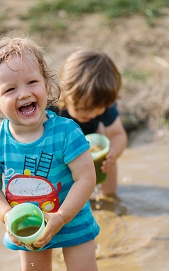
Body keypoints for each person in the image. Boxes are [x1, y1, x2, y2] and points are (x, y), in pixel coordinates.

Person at [0, 37, 105, 271]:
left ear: (46, 83)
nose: (23, 93)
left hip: (72, 216)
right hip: (25, 224)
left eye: (32, 82)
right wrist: (6, 216)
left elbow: (85, 178)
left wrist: (62, 216)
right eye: (10, 88)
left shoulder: (66, 132)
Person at [51, 50, 127, 197]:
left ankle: (109, 198)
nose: (91, 115)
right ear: (65, 95)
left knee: (108, 160)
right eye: (82, 109)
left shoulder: (103, 102)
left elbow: (118, 134)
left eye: (98, 109)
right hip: (62, 143)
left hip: (91, 139)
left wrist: (114, 153)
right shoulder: (52, 107)